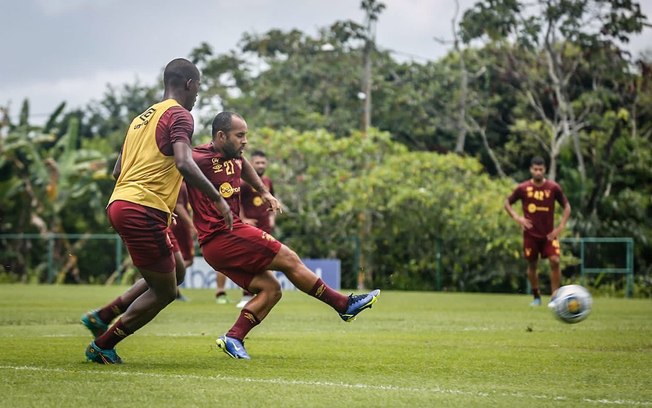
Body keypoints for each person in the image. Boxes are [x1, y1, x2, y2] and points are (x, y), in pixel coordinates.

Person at [188, 111, 380, 360]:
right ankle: (343, 305)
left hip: (219, 244)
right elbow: (174, 166)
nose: (245, 141)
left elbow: (242, 164)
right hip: (223, 235)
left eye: (246, 135)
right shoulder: (197, 157)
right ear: (221, 136)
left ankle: (233, 338)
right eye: (240, 135)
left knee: (271, 289)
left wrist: (264, 192)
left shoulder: (234, 154)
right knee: (289, 258)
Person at [81, 58, 233, 364]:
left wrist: (157, 201)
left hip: (123, 202)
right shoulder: (180, 115)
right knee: (165, 292)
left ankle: (104, 314)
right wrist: (217, 198)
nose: (197, 95)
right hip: (141, 207)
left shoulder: (140, 119)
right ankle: (103, 344)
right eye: (198, 88)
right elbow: (183, 162)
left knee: (177, 271)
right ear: (189, 84)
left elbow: (117, 170)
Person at [504, 156, 571, 306]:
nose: (538, 172)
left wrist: (560, 227)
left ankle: (555, 297)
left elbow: (567, 207)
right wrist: (517, 218)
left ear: (545, 170)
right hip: (530, 235)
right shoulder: (523, 188)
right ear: (531, 170)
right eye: (535, 169)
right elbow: (507, 202)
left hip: (549, 234)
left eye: (541, 169)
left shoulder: (553, 188)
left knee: (555, 261)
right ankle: (536, 296)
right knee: (532, 265)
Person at [215, 150, 275, 308]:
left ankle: (257, 294)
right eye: (257, 163)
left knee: (263, 261)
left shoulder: (267, 181)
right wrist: (243, 219)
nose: (261, 166)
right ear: (251, 164)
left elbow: (271, 199)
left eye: (263, 163)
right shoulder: (243, 183)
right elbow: (236, 201)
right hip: (249, 227)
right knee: (248, 260)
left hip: (264, 226)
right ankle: (244, 295)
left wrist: (272, 218)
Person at [171, 181, 196, 301]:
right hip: (181, 226)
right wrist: (191, 225)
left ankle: (175, 291)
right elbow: (179, 206)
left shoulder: (175, 183)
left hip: (174, 224)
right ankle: (166, 285)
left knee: (177, 259)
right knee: (187, 259)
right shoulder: (181, 185)